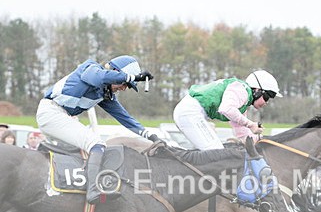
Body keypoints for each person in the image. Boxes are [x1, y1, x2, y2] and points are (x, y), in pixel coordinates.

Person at [36, 55, 155, 204]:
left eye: (127, 86)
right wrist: (134, 77)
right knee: (96, 144)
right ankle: (93, 190)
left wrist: (153, 137)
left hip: (60, 116)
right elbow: (99, 77)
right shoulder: (91, 68)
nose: (124, 88)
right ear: (114, 71)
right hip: (51, 113)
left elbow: (126, 119)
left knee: (92, 148)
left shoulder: (106, 94)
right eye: (125, 84)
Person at [173, 70, 280, 151]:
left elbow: (243, 135)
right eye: (266, 97)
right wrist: (251, 124)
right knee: (216, 153)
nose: (266, 102)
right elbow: (227, 109)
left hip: (191, 113)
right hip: (190, 113)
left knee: (216, 152)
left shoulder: (241, 103)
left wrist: (263, 139)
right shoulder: (241, 90)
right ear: (257, 90)